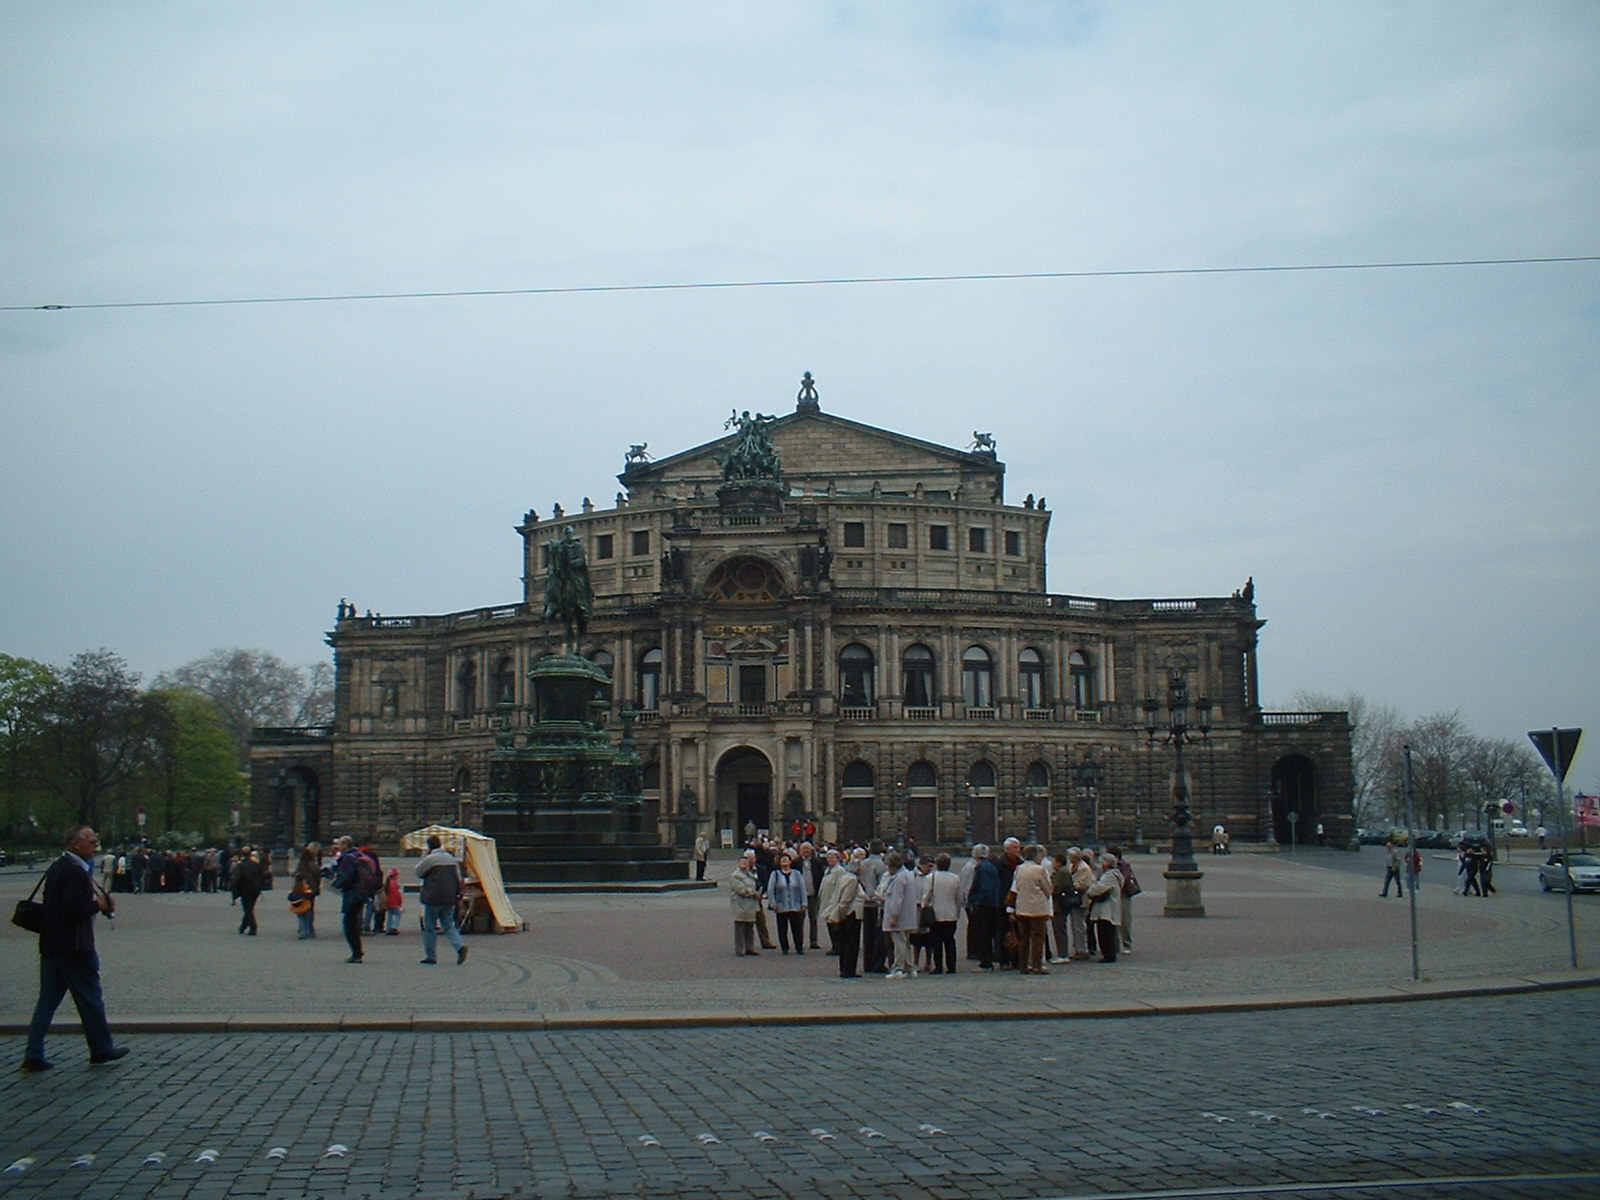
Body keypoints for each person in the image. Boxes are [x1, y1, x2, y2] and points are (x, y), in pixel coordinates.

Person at [22, 826, 129, 1070]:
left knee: (47, 1002)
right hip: (75, 946)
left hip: (52, 945)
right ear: (76, 844)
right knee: (91, 998)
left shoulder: (58, 866)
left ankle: (33, 1052)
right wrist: (98, 904)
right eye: (92, 842)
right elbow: (73, 907)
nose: (96, 846)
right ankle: (101, 1048)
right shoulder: (75, 872)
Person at [415, 834, 469, 965]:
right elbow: (458, 877)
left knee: (430, 927)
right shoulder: (451, 859)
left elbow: (418, 872)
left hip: (433, 897)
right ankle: (459, 946)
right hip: (449, 897)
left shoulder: (430, 859)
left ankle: (431, 956)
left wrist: (425, 856)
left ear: (429, 846)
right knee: (449, 925)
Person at [817, 849, 864, 978]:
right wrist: (839, 912)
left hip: (843, 911)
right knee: (850, 943)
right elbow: (846, 899)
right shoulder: (851, 879)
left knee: (844, 942)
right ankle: (848, 970)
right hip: (851, 913)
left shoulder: (842, 876)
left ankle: (845, 968)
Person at [331, 836, 375, 963]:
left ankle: (356, 953)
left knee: (349, 923)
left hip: (351, 893)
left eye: (340, 844)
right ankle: (357, 951)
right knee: (354, 920)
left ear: (345, 845)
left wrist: (336, 884)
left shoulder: (348, 858)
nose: (338, 846)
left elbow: (346, 876)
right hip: (362, 892)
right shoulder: (359, 855)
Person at [1011, 844, 1053, 975]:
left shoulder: (1019, 869)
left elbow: (1015, 887)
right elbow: (1048, 889)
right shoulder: (1039, 870)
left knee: (1024, 938)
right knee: (1038, 938)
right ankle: (1036, 965)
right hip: (1037, 908)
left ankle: (1023, 965)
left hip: (1022, 907)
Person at [880, 852, 920, 979]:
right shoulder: (908, 875)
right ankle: (909, 967)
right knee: (906, 943)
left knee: (899, 943)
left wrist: (893, 916)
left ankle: (898, 968)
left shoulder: (899, 878)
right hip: (908, 915)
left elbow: (897, 899)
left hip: (900, 917)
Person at [965, 843, 1003, 971]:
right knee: (987, 934)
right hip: (993, 904)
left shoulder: (982, 868)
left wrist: (976, 902)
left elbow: (985, 889)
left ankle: (986, 962)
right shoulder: (991, 866)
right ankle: (987, 959)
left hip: (985, 906)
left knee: (981, 934)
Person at [1083, 852, 1124, 963]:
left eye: (1104, 862)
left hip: (1106, 908)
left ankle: (1109, 954)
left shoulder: (1109, 876)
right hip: (1107, 907)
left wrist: (1091, 888)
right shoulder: (1113, 874)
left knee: (1105, 932)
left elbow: (1097, 889)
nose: (1102, 864)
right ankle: (1108, 953)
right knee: (1106, 931)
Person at [925, 853, 962, 975]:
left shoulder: (931, 877)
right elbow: (959, 898)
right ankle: (951, 966)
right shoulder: (955, 878)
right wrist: (957, 911)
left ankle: (938, 966)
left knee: (936, 941)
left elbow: (927, 895)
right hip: (951, 913)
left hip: (936, 912)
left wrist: (924, 906)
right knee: (950, 940)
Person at [767, 852, 808, 954]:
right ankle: (785, 947)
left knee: (797, 928)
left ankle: (799, 947)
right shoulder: (775, 874)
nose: (785, 861)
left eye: (787, 859)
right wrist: (773, 903)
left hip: (795, 905)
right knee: (782, 928)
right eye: (782, 860)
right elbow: (771, 890)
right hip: (781, 906)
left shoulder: (797, 873)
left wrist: (804, 903)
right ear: (779, 862)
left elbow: (802, 889)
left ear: (790, 861)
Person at [728, 850, 762, 955]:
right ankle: (739, 949)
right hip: (740, 904)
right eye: (742, 862)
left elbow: (756, 884)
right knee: (740, 928)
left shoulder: (750, 874)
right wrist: (753, 893)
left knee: (750, 928)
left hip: (750, 904)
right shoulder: (735, 875)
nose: (744, 864)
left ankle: (749, 948)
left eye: (746, 863)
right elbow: (740, 889)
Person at [290, 842, 322, 939]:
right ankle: (309, 930)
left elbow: (297, 874)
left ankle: (303, 930)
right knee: (309, 909)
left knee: (301, 910)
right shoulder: (314, 865)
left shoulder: (302, 863)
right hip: (311, 889)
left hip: (300, 888)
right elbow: (317, 878)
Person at [231, 849, 264, 935]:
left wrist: (234, 891)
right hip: (255, 889)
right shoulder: (256, 865)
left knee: (247, 909)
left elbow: (236, 879)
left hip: (245, 889)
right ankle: (243, 926)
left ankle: (253, 927)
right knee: (249, 908)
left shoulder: (241, 866)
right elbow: (261, 876)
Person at [382, 868, 404, 934]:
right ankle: (394, 927)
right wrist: (399, 903)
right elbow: (397, 895)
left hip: (388, 903)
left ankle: (388, 927)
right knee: (398, 914)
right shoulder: (394, 884)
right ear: (395, 875)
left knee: (390, 915)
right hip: (394, 903)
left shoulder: (387, 883)